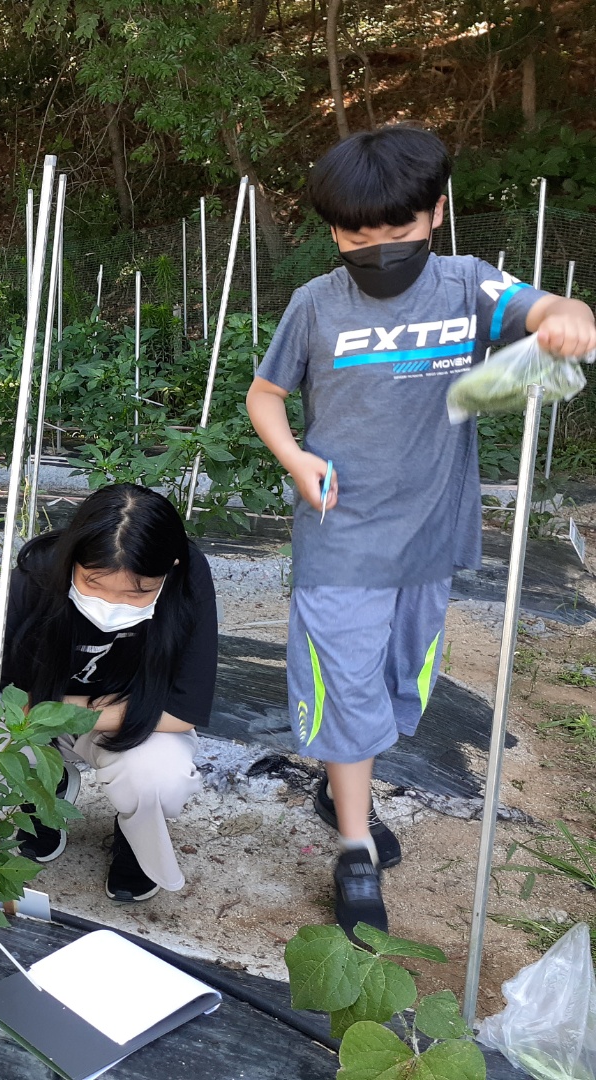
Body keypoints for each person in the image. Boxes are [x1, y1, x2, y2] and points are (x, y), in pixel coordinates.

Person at [246, 125, 596, 938]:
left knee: (403, 682)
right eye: (354, 234)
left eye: (395, 229)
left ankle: (342, 785)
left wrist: (568, 314)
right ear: (333, 231)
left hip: (431, 537)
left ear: (436, 213)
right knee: (350, 685)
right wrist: (295, 457)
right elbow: (267, 396)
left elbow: (540, 308)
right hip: (341, 537)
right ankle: (355, 846)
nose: (376, 247)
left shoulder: (468, 289)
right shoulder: (316, 304)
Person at [0, 484, 218, 901]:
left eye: (138, 592)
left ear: (170, 568)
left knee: (158, 780)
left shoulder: (188, 581)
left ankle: (135, 835)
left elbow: (181, 711)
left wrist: (63, 709)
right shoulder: (38, 575)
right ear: (73, 559)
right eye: (94, 583)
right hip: (41, 710)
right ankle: (45, 794)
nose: (112, 603)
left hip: (123, 719)